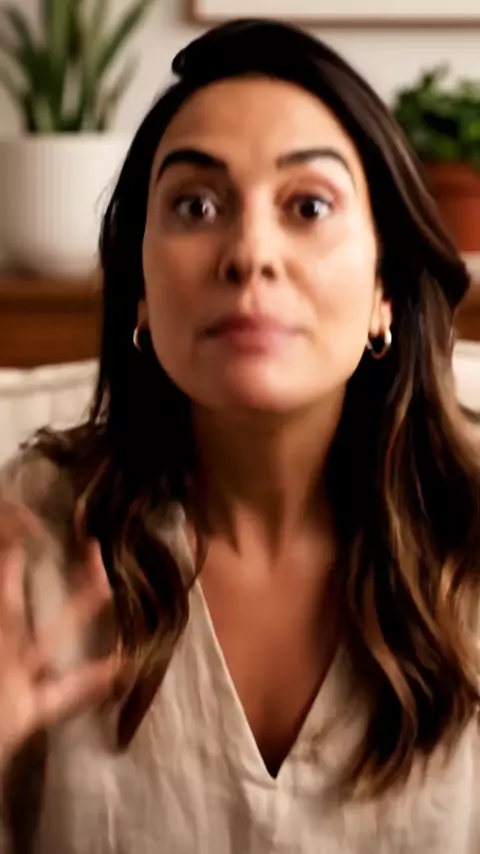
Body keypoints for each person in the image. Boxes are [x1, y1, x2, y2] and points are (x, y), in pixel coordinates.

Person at [0, 17, 478, 854]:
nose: (251, 253)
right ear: (139, 288)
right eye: (196, 205)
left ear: (384, 292)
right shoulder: (29, 535)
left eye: (309, 206)